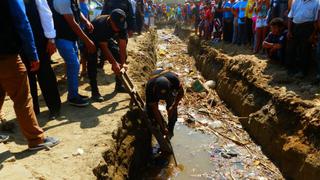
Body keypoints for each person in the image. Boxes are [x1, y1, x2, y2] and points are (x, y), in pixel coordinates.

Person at [0, 0, 59, 150]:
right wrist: (33, 54)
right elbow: (22, 21)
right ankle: (36, 139)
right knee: (22, 97)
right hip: (7, 54)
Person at [48, 0, 96, 107]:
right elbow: (72, 22)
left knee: (73, 66)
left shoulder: (73, 0)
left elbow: (77, 12)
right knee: (74, 65)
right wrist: (87, 41)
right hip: (63, 38)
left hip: (71, 38)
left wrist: (85, 21)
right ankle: (73, 97)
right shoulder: (62, 1)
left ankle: (73, 93)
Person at [22, 0, 61, 120]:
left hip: (38, 39)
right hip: (21, 42)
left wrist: (51, 39)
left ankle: (54, 107)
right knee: (28, 77)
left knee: (45, 74)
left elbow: (46, 13)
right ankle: (34, 109)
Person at [86, 9, 129, 101]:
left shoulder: (122, 25)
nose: (118, 28)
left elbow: (122, 45)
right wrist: (114, 63)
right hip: (91, 38)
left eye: (120, 26)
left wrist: (123, 63)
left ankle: (119, 85)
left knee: (118, 54)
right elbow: (104, 48)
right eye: (116, 26)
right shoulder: (102, 25)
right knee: (92, 63)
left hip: (106, 38)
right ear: (110, 20)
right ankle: (95, 92)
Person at [145, 69, 184, 139]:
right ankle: (158, 127)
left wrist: (173, 106)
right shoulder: (150, 88)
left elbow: (181, 93)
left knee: (172, 111)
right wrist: (162, 127)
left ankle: (170, 129)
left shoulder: (174, 81)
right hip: (155, 91)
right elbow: (155, 109)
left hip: (168, 92)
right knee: (151, 113)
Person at [286, 0, 319, 77]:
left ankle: (303, 71)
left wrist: (313, 34)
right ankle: (291, 69)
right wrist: (289, 31)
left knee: (305, 51)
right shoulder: (296, 1)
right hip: (295, 27)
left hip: (308, 28)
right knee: (291, 49)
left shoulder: (316, 2)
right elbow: (290, 17)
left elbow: (317, 20)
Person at [79, 0, 90, 77]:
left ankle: (84, 70)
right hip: (78, 31)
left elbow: (87, 17)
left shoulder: (84, 4)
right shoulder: (77, 5)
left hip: (84, 31)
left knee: (83, 50)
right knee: (81, 50)